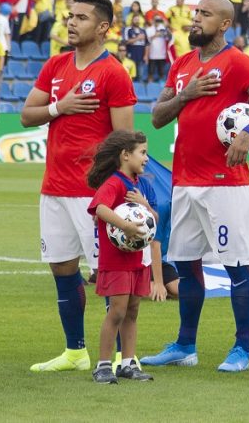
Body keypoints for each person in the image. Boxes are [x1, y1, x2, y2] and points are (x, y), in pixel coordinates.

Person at [142, 0, 249, 372]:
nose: (195, 19)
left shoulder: (237, 63)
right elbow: (157, 117)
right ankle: (185, 345)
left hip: (225, 184)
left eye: (204, 14)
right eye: (195, 12)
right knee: (186, 265)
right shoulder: (183, 64)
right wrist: (186, 95)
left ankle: (242, 349)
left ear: (224, 24)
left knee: (237, 266)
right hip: (185, 182)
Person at [23, 0, 137, 373]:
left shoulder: (114, 73)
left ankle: (122, 354)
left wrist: (120, 191)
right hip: (53, 188)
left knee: (108, 275)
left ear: (103, 27)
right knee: (61, 269)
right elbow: (27, 115)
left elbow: (125, 141)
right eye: (69, 16)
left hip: (92, 194)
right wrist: (60, 107)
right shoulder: (55, 65)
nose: (71, 23)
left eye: (81, 17)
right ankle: (75, 352)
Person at [87, 130, 167, 384]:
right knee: (117, 311)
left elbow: (154, 219)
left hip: (138, 260)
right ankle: (102, 365)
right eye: (142, 153)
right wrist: (125, 225)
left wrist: (144, 205)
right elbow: (99, 208)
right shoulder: (114, 183)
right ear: (125, 155)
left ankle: (128, 363)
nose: (146, 158)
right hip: (116, 261)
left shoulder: (143, 185)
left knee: (132, 311)